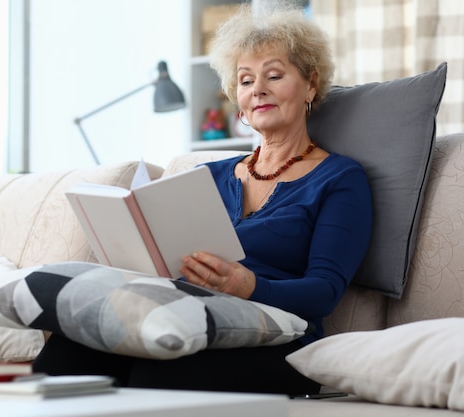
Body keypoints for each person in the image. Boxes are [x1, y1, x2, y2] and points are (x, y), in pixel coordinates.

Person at [32, 4, 372, 396]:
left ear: (310, 84)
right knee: (69, 351)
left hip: (276, 341)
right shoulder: (208, 176)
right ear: (237, 97)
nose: (257, 88)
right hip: (184, 318)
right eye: (245, 80)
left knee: (160, 372)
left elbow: (325, 291)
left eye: (274, 75)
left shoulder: (341, 179)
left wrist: (251, 286)